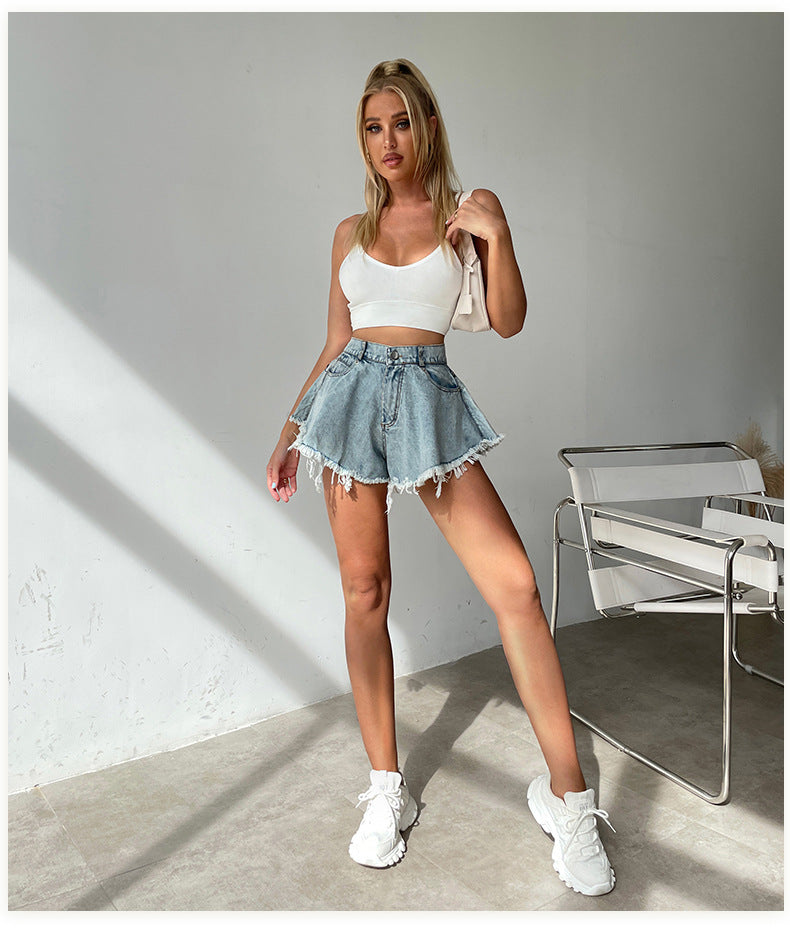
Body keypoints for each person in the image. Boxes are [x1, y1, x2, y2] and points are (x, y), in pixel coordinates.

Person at [266, 58, 615, 897]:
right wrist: (289, 430)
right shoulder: (348, 232)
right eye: (372, 126)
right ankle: (387, 788)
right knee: (365, 592)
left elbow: (508, 320)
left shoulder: (466, 214)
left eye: (400, 122)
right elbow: (335, 343)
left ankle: (570, 802)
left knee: (516, 588)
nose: (387, 141)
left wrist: (501, 234)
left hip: (428, 402)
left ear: (427, 126)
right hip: (347, 404)